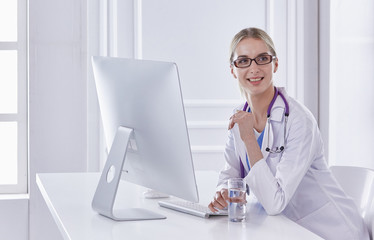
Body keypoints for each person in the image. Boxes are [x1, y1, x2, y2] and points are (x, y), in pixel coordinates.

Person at [207, 27, 369, 240]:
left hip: (332, 232)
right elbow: (230, 176)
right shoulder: (239, 118)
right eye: (244, 61)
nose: (254, 68)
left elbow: (275, 203)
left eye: (262, 58)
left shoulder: (299, 121)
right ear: (233, 70)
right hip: (288, 230)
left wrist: (248, 138)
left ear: (275, 64)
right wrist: (223, 193)